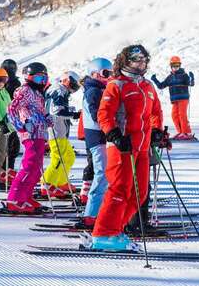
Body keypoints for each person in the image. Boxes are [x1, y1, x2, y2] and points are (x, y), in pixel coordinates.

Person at [90, 45, 164, 251]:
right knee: (119, 189)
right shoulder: (117, 85)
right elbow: (104, 114)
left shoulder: (148, 86)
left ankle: (116, 229)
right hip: (122, 147)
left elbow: (155, 112)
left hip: (142, 147)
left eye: (144, 60)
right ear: (125, 61)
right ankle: (103, 234)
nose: (141, 63)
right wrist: (114, 134)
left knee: (139, 194)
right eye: (136, 59)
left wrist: (157, 131)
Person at [6, 62, 52, 213]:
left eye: (44, 79)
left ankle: (26, 196)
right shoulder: (25, 90)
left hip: (39, 132)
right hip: (30, 132)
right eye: (39, 79)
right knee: (29, 165)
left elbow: (39, 110)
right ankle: (15, 199)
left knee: (37, 168)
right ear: (29, 77)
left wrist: (47, 118)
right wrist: (19, 126)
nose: (42, 83)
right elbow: (12, 108)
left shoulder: (38, 93)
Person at [80, 57, 113, 227]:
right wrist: (111, 126)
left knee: (105, 174)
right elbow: (97, 115)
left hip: (101, 136)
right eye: (106, 73)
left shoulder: (99, 89)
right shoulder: (93, 91)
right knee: (102, 174)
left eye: (111, 73)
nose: (109, 77)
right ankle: (91, 214)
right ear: (94, 74)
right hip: (97, 136)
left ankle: (99, 210)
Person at [41, 71, 81, 198]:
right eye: (72, 84)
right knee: (58, 158)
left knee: (69, 156)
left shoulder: (61, 90)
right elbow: (56, 110)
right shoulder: (59, 90)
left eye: (76, 86)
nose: (73, 88)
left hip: (59, 128)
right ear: (65, 80)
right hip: (54, 128)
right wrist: (74, 114)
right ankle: (47, 183)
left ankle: (60, 181)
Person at [151, 56, 196, 140]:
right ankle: (180, 132)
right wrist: (155, 79)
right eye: (174, 65)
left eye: (177, 65)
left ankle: (186, 132)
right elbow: (161, 86)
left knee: (182, 115)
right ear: (171, 66)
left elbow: (191, 83)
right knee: (174, 115)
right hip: (175, 100)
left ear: (180, 65)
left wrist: (192, 78)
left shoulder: (184, 75)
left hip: (183, 98)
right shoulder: (170, 77)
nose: (176, 67)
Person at [0, 59, 21, 184]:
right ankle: (5, 172)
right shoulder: (8, 82)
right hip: (7, 117)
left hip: (9, 117)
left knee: (10, 146)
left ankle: (7, 171)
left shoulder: (8, 82)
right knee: (10, 146)